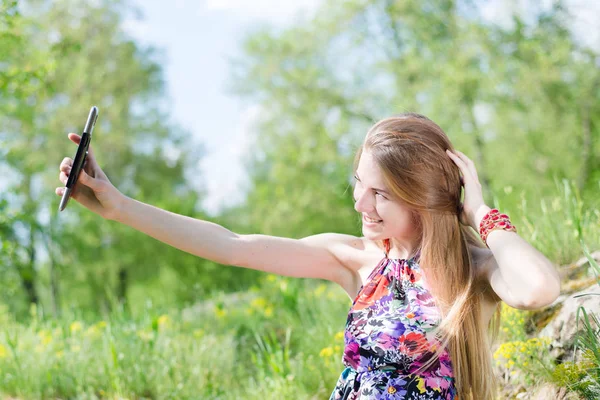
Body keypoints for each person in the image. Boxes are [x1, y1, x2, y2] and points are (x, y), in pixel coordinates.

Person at [56, 113, 561, 400]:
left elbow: (540, 288)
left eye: (381, 194)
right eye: (358, 185)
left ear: (423, 198)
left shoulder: (471, 273)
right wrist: (120, 208)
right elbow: (231, 246)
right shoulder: (358, 262)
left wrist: (481, 212)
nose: (360, 204)